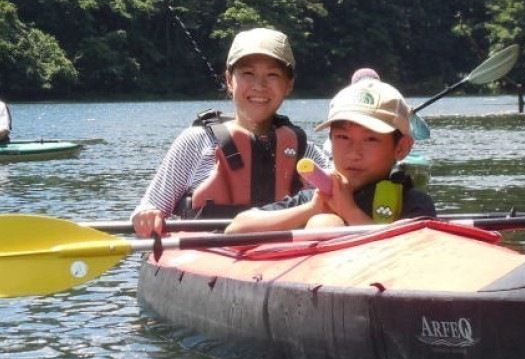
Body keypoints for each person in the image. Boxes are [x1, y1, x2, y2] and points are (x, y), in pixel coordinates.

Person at [131, 28, 329, 238]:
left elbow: (340, 192)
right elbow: (150, 206)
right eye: (247, 73)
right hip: (206, 259)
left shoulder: (305, 152)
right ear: (228, 79)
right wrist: (147, 215)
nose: (259, 85)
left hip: (284, 260)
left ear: (289, 84)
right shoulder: (196, 141)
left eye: (272, 75)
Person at [225, 78, 436, 233]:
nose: (354, 153)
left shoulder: (414, 203)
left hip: (374, 283)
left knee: (327, 224)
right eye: (343, 137)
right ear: (330, 141)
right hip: (314, 284)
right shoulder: (316, 198)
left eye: (371, 139)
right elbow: (236, 228)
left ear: (401, 148)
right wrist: (311, 209)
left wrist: (349, 211)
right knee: (323, 221)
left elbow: (407, 253)